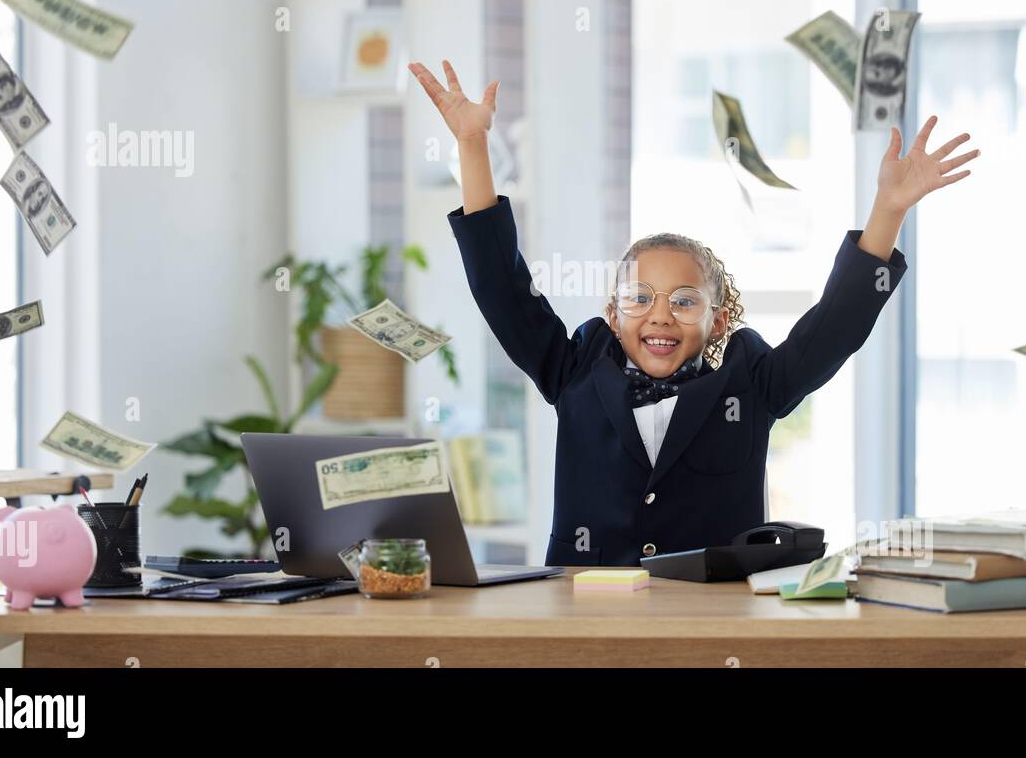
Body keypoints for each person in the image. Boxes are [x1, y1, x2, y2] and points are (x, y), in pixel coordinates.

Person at [408, 59, 978, 566]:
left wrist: (888, 210)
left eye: (684, 302)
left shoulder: (751, 385)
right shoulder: (574, 369)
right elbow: (501, 287)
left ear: (719, 320)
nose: (660, 316)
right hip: (584, 617)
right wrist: (472, 147)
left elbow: (834, 328)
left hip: (713, 623)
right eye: (640, 299)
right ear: (613, 313)